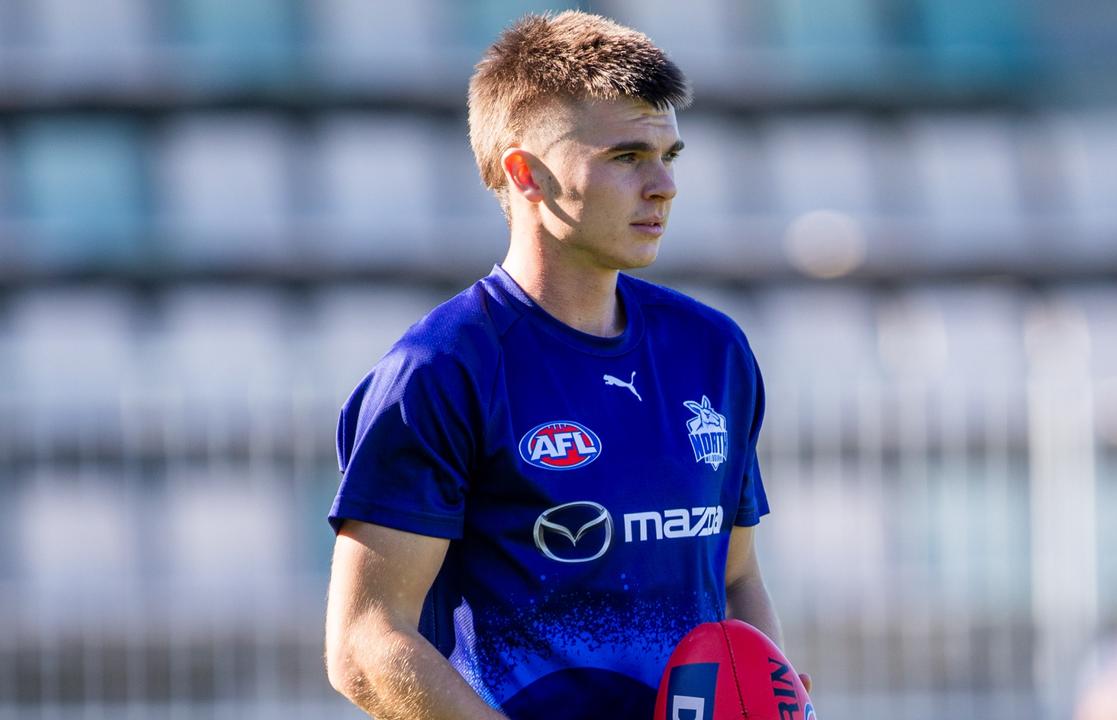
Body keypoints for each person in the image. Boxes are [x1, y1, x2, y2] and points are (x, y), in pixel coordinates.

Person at [324, 11, 802, 718]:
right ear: (527, 174)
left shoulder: (712, 351)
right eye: (626, 157)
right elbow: (367, 640)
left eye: (670, 156)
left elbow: (735, 577)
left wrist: (769, 695)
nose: (663, 185)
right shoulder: (442, 369)